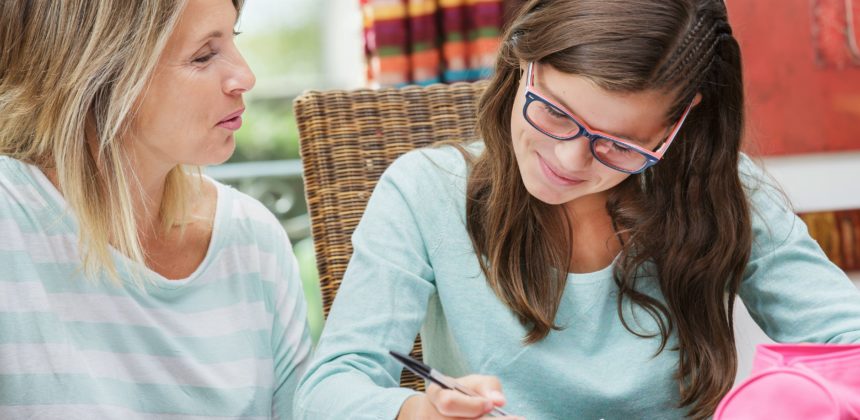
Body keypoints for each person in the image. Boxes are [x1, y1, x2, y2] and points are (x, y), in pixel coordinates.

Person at [294, 0, 860, 419]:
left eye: (620, 144)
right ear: (523, 63)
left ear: (678, 124)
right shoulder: (426, 192)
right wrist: (419, 411)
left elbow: (849, 343)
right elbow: (327, 390)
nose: (567, 159)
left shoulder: (724, 188)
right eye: (555, 111)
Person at [0, 1, 311, 418]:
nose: (246, 77)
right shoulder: (10, 221)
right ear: (100, 73)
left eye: (233, 39)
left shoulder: (252, 239)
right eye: (203, 55)